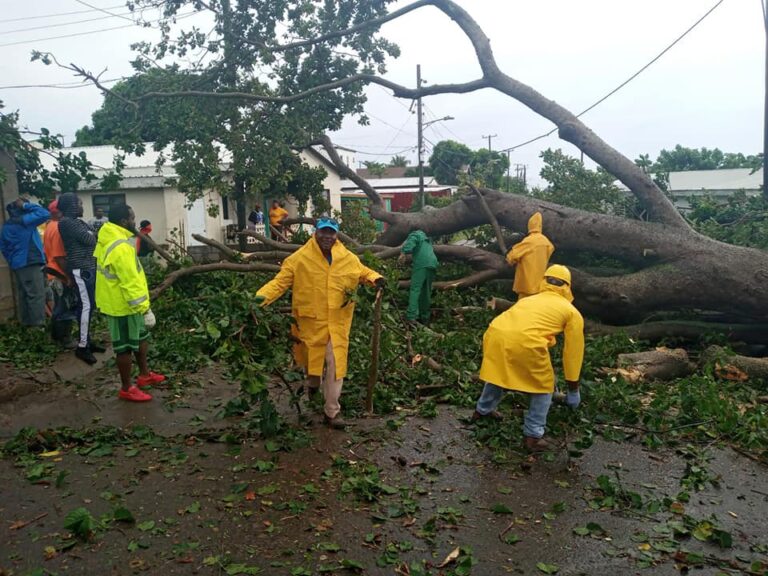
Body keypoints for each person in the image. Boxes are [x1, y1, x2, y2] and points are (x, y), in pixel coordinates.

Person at [256, 217, 384, 428]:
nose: (327, 237)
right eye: (323, 232)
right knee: (311, 364)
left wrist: (376, 279)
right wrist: (255, 302)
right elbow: (278, 284)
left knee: (335, 364)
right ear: (315, 233)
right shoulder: (299, 259)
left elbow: (363, 272)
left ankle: (332, 412)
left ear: (336, 235)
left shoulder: (347, 258)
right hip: (310, 324)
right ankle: (312, 386)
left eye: (331, 233)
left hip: (338, 323)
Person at [472, 265, 584, 452]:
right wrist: (573, 389)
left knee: (499, 372)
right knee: (544, 386)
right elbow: (573, 354)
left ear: (544, 281)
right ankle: (533, 435)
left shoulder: (528, 300)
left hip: (495, 334)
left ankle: (481, 412)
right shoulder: (571, 312)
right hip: (527, 342)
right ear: (567, 287)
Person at [94, 203, 166, 402]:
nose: (135, 221)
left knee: (141, 337)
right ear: (124, 221)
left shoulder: (111, 237)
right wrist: (145, 309)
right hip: (121, 305)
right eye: (132, 218)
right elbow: (129, 281)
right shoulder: (120, 247)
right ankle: (126, 387)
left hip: (125, 302)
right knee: (124, 347)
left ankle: (144, 375)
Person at [57, 193, 104, 364]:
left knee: (89, 306)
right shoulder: (67, 223)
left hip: (88, 268)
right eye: (80, 203)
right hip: (80, 269)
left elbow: (93, 236)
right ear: (71, 205)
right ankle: (82, 347)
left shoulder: (78, 222)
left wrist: (92, 234)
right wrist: (92, 234)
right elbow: (90, 239)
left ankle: (88, 341)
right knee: (86, 306)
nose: (82, 206)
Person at [0, 197, 50, 327]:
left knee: (24, 295)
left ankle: (26, 325)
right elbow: (44, 213)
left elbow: (4, 248)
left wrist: (13, 261)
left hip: (18, 265)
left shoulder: (7, 226)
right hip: (30, 262)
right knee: (36, 296)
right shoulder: (25, 222)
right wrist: (26, 205)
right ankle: (37, 327)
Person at [43, 200, 77, 347]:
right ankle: (64, 339)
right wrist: (68, 277)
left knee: (59, 307)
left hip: (53, 272)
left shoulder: (49, 225)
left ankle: (56, 337)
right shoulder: (58, 228)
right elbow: (59, 256)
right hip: (59, 274)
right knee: (65, 307)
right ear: (58, 211)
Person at [505, 211, 554, 299]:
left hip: (527, 285)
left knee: (523, 306)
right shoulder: (546, 242)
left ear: (529, 225)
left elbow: (512, 256)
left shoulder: (529, 241)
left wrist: (509, 257)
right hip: (540, 285)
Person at [399, 229, 438, 325]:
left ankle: (411, 316)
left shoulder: (415, 234)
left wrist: (403, 252)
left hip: (422, 263)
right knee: (426, 291)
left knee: (415, 289)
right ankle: (425, 317)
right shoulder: (426, 240)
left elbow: (410, 244)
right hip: (433, 264)